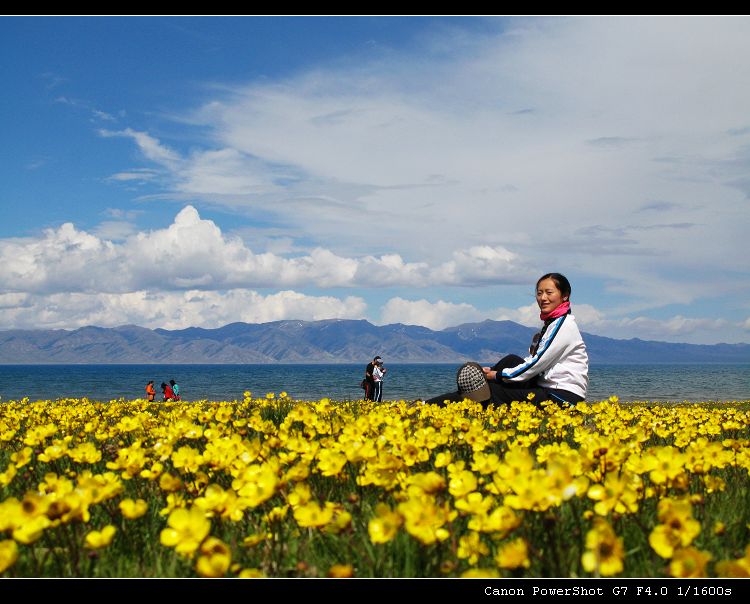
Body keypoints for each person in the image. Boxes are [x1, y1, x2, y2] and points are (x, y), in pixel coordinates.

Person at [422, 273, 588, 407]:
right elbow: (533, 363)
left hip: (563, 398)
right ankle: (477, 383)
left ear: (565, 296)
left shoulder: (563, 325)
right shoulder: (553, 323)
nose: (543, 298)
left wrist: (497, 375)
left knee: (492, 391)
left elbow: (535, 364)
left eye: (549, 293)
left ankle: (429, 406)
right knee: (510, 360)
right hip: (548, 389)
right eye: (539, 293)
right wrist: (495, 373)